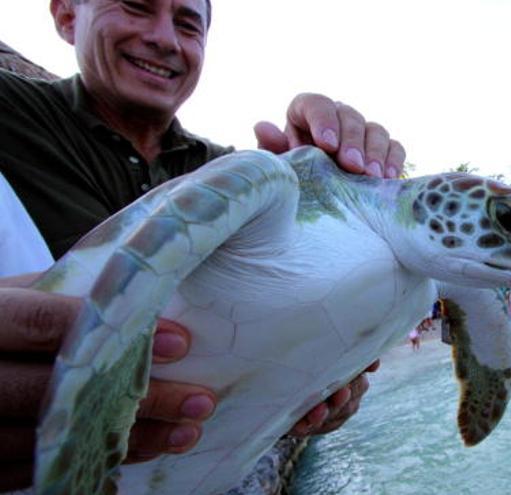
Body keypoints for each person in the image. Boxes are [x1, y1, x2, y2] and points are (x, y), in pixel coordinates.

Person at [0, 0, 401, 488]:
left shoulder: (233, 167)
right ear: (66, 15)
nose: (166, 38)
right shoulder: (11, 111)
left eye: (188, 24)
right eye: (135, 6)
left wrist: (326, 386)